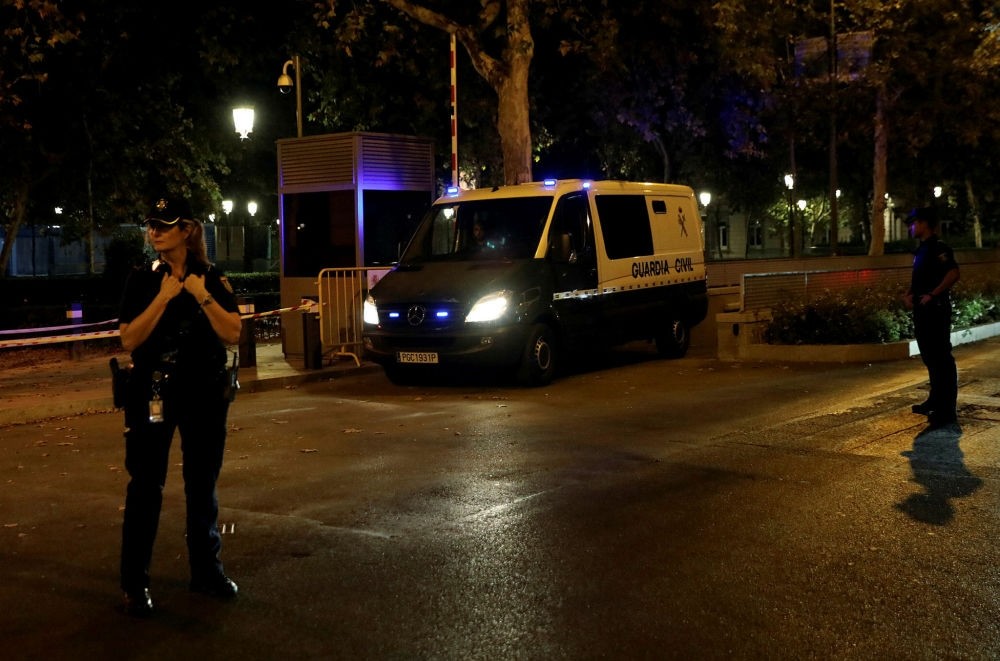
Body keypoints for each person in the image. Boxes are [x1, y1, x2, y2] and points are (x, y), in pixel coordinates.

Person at [117, 196, 243, 616]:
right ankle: (135, 583)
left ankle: (207, 571)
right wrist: (163, 298)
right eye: (151, 223)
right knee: (145, 486)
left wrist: (201, 295)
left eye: (164, 224)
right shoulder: (142, 279)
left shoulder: (211, 277)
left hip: (203, 392)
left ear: (187, 230)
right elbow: (129, 339)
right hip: (153, 390)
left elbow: (234, 332)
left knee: (202, 484)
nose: (154, 231)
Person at [903, 206, 960, 428]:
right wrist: (909, 294)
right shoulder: (922, 250)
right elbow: (919, 279)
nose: (911, 227)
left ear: (924, 223)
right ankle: (935, 401)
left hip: (936, 310)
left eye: (914, 223)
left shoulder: (939, 248)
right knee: (930, 357)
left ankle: (947, 409)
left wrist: (932, 295)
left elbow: (953, 273)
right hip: (923, 310)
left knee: (941, 358)